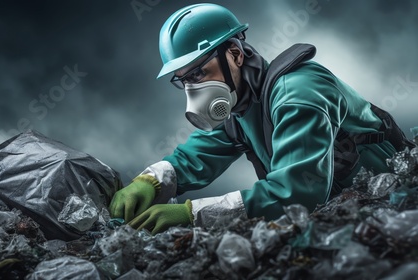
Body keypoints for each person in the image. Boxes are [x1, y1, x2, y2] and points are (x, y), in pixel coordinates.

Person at [109, 3, 415, 234]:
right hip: (347, 213)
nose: (194, 88)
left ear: (235, 55)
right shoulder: (241, 105)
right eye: (183, 80)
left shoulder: (297, 94)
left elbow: (297, 193)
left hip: (393, 203)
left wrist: (192, 214)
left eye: (199, 72)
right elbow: (199, 153)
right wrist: (149, 181)